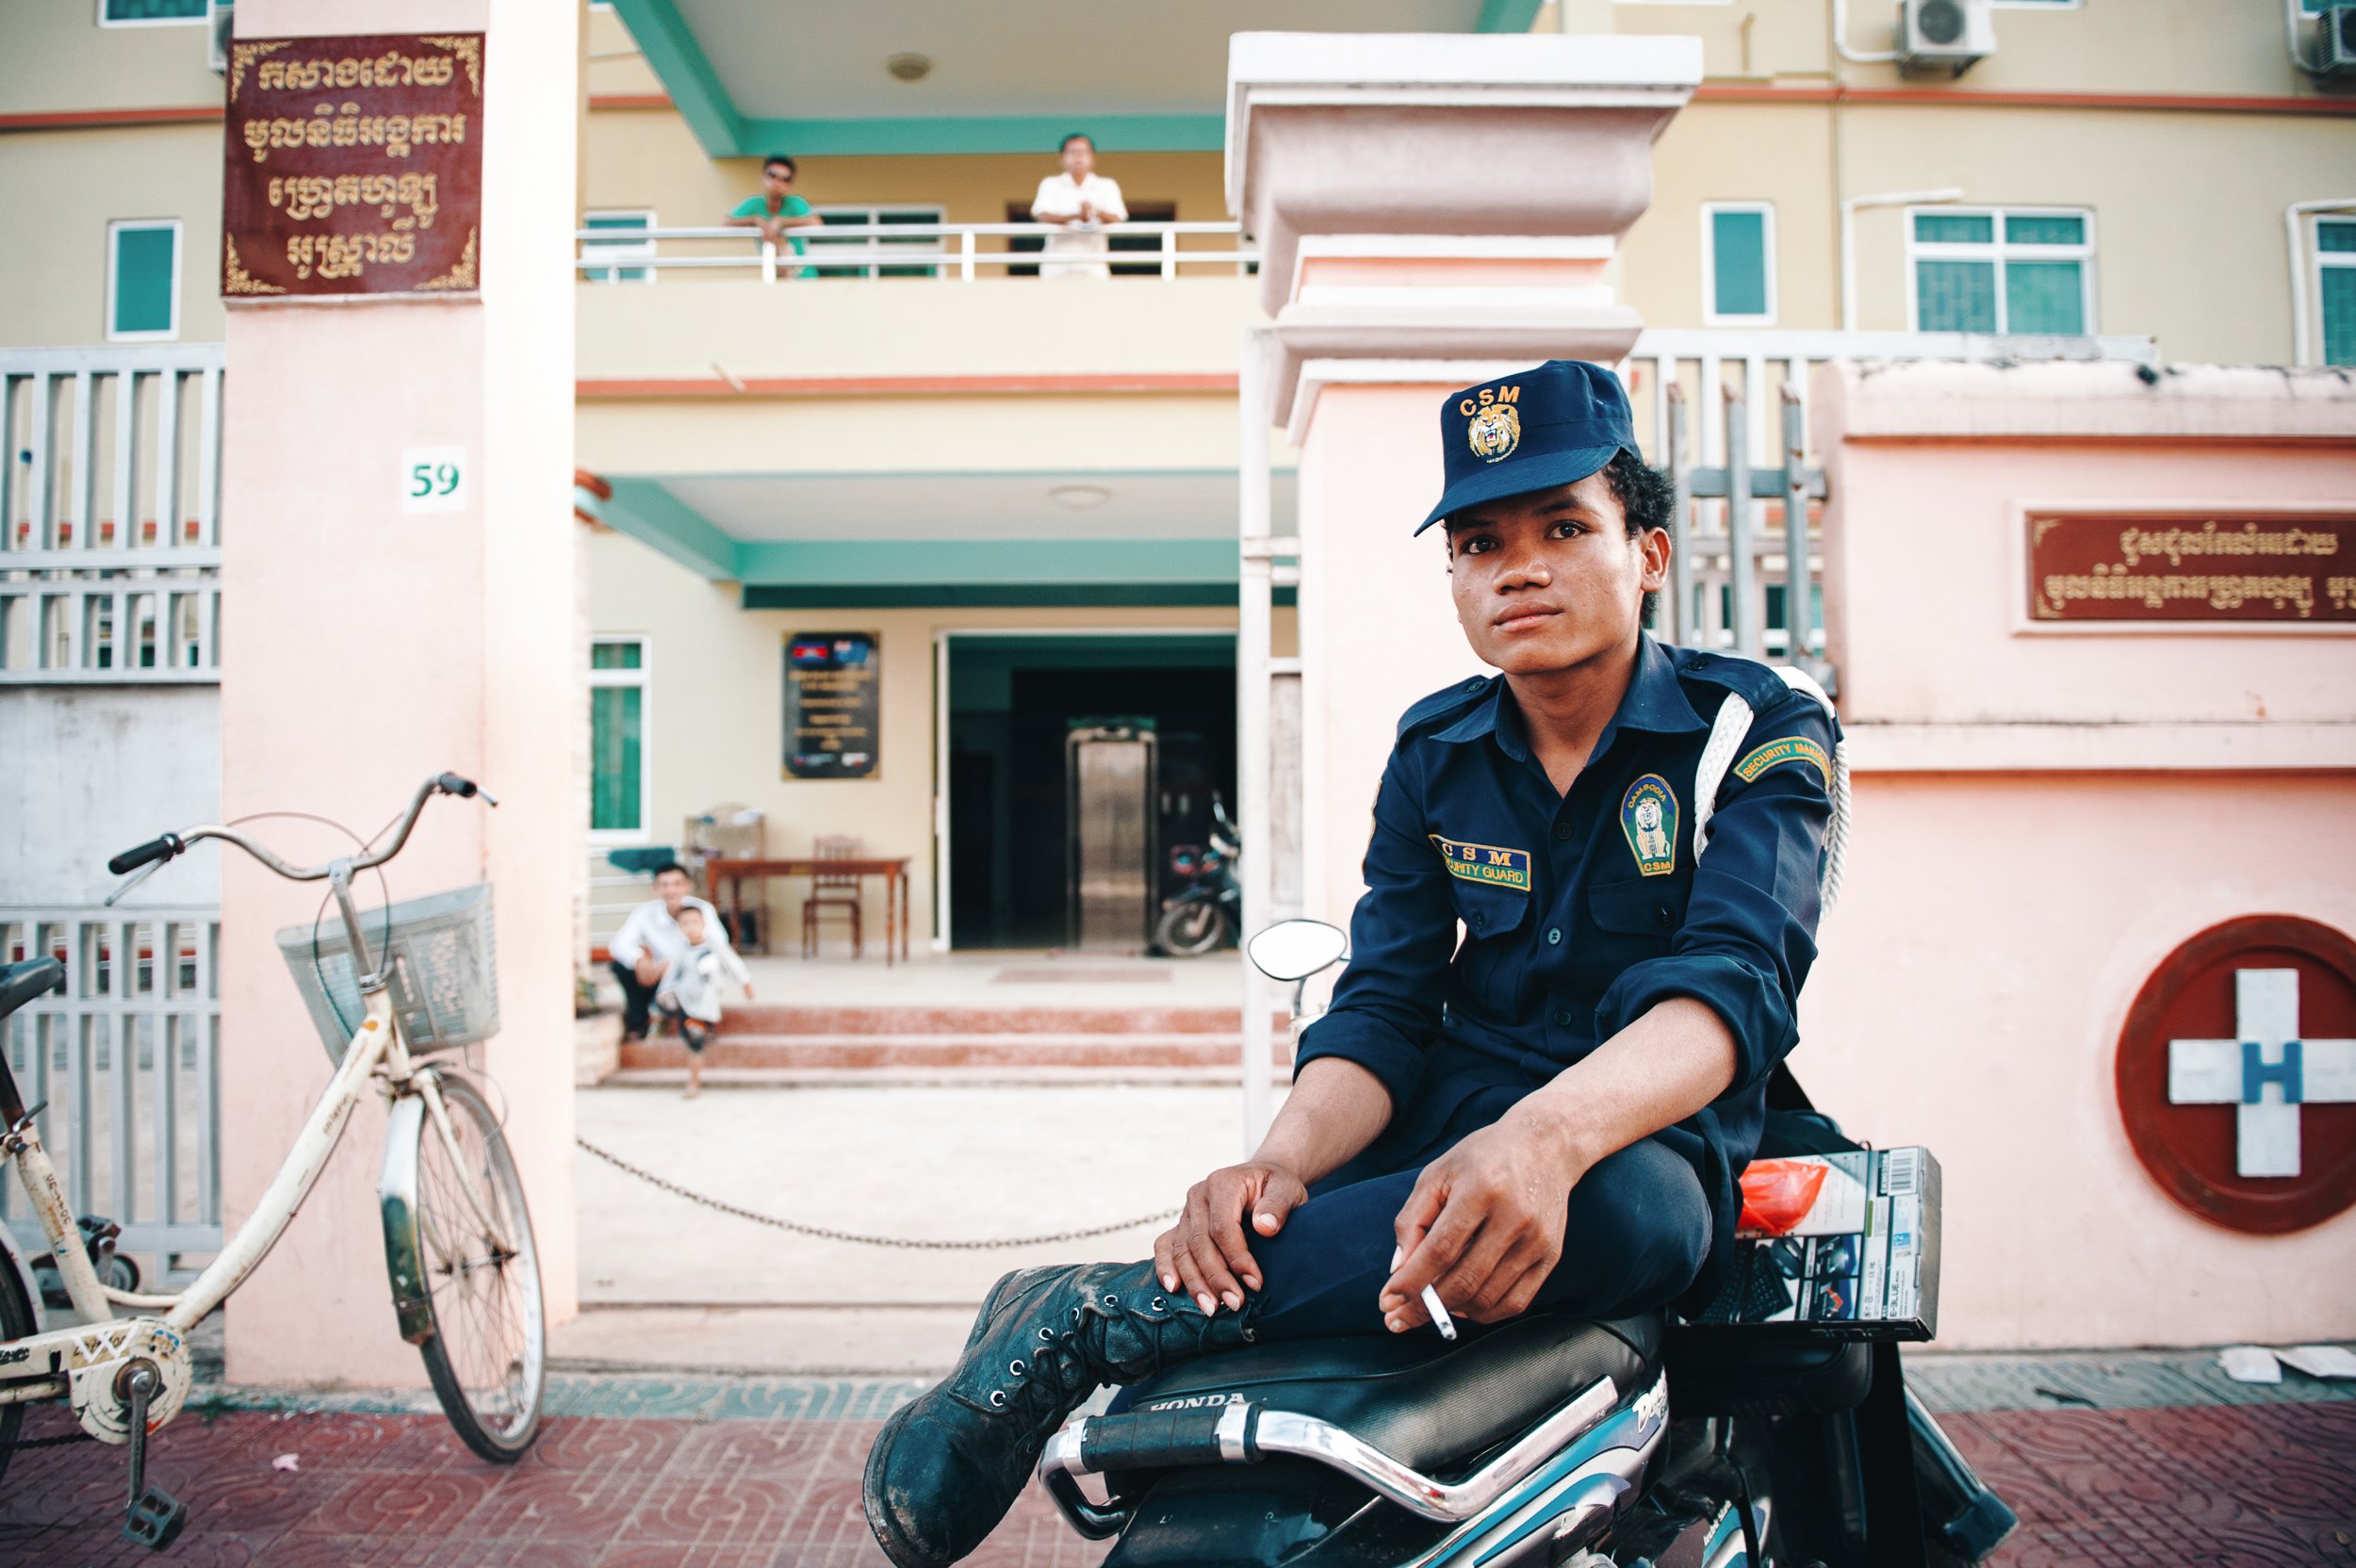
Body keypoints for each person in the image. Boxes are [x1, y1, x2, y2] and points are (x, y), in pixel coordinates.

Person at [862, 359, 1840, 1568]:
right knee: (1298, 1196)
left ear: (1644, 551)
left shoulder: (1755, 724)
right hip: (1436, 1117)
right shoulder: (1434, 749)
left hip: (1629, 1135)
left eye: (1562, 526)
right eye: (1478, 542)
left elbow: (1734, 983)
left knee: (1638, 1212)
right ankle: (1091, 1311)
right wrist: (1273, 1162)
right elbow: (1380, 1004)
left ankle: (1107, 1316)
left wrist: (1544, 1139)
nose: (1518, 565)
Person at [607, 861, 750, 1043]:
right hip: (659, 977)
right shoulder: (645, 912)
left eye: (676, 884)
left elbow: (718, 944)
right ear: (656, 888)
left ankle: (700, 1023)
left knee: (703, 966)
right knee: (622, 967)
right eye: (664, 885)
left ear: (686, 886)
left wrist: (675, 962)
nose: (671, 890)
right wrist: (639, 959)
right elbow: (618, 944)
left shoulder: (702, 909)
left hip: (692, 978)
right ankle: (639, 1022)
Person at [654, 902, 754, 1099]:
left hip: (706, 1001)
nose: (690, 927)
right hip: (686, 1002)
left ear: (703, 923)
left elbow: (733, 964)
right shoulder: (681, 951)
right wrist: (663, 997)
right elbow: (670, 978)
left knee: (696, 1035)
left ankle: (694, 1078)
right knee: (694, 1039)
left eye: (694, 922)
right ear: (679, 928)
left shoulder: (715, 947)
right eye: (685, 924)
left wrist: (745, 983)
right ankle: (693, 1082)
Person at [1026, 132, 1127, 280]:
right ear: (1061, 158)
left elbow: (1117, 217)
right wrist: (1077, 216)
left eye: (1083, 152)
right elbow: (1043, 216)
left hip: (1095, 268)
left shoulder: (1107, 186)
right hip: (1056, 268)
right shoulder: (1050, 184)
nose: (1078, 157)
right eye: (1072, 152)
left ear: (1092, 158)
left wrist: (1094, 212)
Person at [726, 153, 823, 277]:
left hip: (804, 277)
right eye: (772, 175)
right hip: (774, 277)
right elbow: (726, 223)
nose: (777, 182)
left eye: (785, 179)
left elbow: (816, 222)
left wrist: (781, 222)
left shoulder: (795, 203)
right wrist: (755, 220)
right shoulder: (755, 204)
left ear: (789, 185)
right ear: (763, 178)